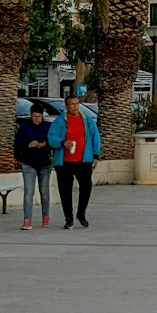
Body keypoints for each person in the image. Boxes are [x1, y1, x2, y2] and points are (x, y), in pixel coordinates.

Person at [48, 96, 101, 229]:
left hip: (84, 161)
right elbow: (51, 138)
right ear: (66, 106)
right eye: (71, 104)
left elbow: (96, 138)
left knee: (86, 188)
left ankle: (81, 214)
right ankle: (69, 218)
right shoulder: (59, 121)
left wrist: (95, 156)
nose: (75, 106)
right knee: (65, 191)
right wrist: (62, 142)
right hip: (65, 162)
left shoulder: (87, 121)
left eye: (77, 104)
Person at [14, 104, 53, 230]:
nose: (36, 119)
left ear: (42, 116)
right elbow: (17, 144)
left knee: (44, 192)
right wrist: (28, 145)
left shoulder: (48, 126)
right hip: (29, 163)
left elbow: (53, 142)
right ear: (30, 116)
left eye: (39, 116)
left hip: (44, 163)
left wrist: (45, 145)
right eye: (34, 116)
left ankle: (45, 216)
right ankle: (27, 219)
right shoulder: (24, 128)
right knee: (28, 193)